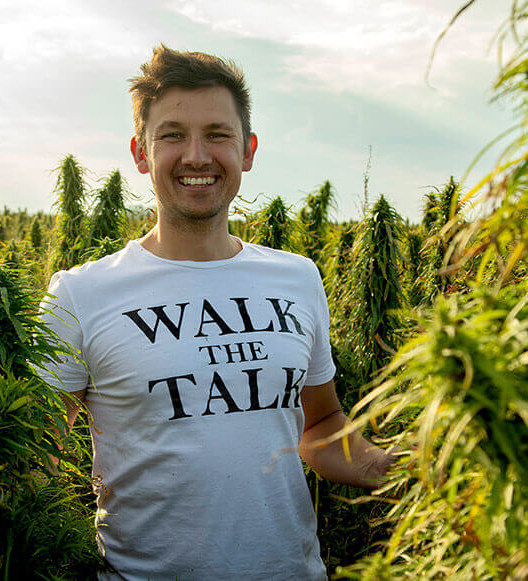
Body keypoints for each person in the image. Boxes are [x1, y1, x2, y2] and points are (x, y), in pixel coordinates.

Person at [37, 45, 397, 581]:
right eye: (173, 135)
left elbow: (320, 426)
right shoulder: (81, 295)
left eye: (218, 134)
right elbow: (29, 449)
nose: (198, 156)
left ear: (247, 150)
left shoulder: (297, 278)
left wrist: (407, 472)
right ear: (141, 153)